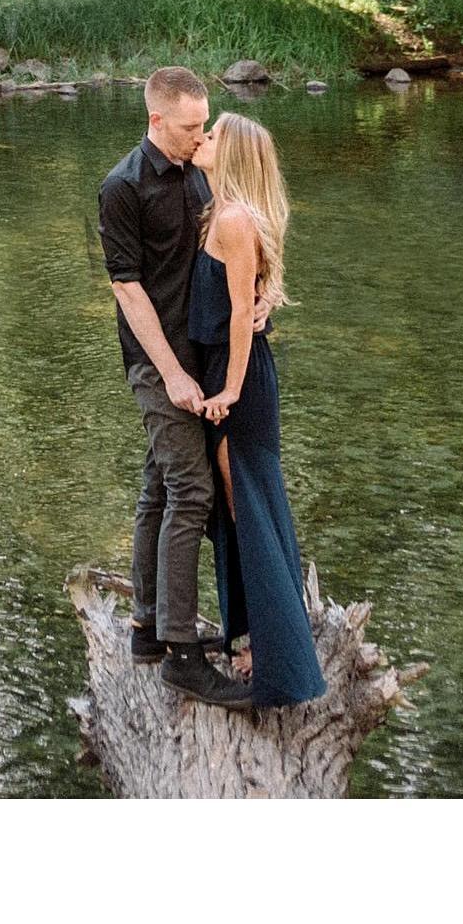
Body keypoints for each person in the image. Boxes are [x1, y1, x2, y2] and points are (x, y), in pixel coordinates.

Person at [96, 68, 253, 707]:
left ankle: (147, 629)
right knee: (192, 491)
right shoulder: (123, 187)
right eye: (191, 126)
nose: (201, 135)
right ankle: (183, 657)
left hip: (203, 357)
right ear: (156, 120)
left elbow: (231, 251)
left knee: (160, 485)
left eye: (204, 123)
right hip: (157, 362)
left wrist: (255, 301)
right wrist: (172, 373)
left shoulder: (201, 171)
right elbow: (127, 289)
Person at [185, 110, 323, 709]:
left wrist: (231, 391)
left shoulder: (235, 219)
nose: (203, 138)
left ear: (234, 153)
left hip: (238, 380)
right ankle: (257, 640)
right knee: (241, 506)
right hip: (224, 370)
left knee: (250, 507)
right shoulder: (218, 210)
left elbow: (244, 312)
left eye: (213, 134)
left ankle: (277, 660)